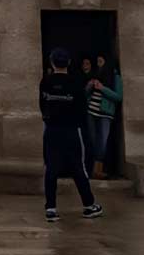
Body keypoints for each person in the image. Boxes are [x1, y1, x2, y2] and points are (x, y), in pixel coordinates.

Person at [40, 48, 102, 222]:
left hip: (51, 129)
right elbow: (82, 107)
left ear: (52, 62)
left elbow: (42, 104)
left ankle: (51, 208)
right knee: (78, 167)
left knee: (51, 168)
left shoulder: (45, 81)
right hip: (72, 129)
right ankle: (89, 205)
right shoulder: (75, 82)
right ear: (68, 63)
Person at [87, 55, 122, 179]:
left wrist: (103, 88)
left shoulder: (115, 77)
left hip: (105, 114)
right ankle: (93, 170)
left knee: (102, 142)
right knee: (93, 140)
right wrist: (90, 86)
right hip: (91, 111)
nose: (99, 64)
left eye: (101, 61)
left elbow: (118, 96)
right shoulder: (96, 74)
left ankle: (98, 170)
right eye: (98, 61)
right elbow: (86, 94)